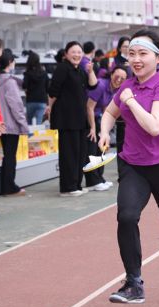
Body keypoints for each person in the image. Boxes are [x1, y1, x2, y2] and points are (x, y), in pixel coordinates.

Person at [96, 30, 159, 306]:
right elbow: (109, 112)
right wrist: (104, 132)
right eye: (131, 54)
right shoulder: (127, 85)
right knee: (126, 216)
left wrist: (129, 100)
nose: (136, 59)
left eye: (142, 54)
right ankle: (134, 282)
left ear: (158, 57)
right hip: (134, 165)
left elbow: (154, 126)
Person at [49, 42, 99, 197]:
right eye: (73, 52)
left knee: (79, 153)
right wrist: (50, 109)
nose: (77, 55)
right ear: (66, 54)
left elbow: (93, 86)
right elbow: (53, 91)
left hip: (80, 118)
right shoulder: (63, 68)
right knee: (69, 154)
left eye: (79, 52)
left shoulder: (80, 70)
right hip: (66, 119)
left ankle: (76, 184)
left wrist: (90, 71)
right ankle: (67, 187)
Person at [0, 52, 28, 197]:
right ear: (10, 62)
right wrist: (23, 125)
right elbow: (16, 106)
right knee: (10, 156)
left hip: (0, 123)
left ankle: (5, 186)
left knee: (7, 155)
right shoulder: (10, 82)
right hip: (11, 124)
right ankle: (10, 187)